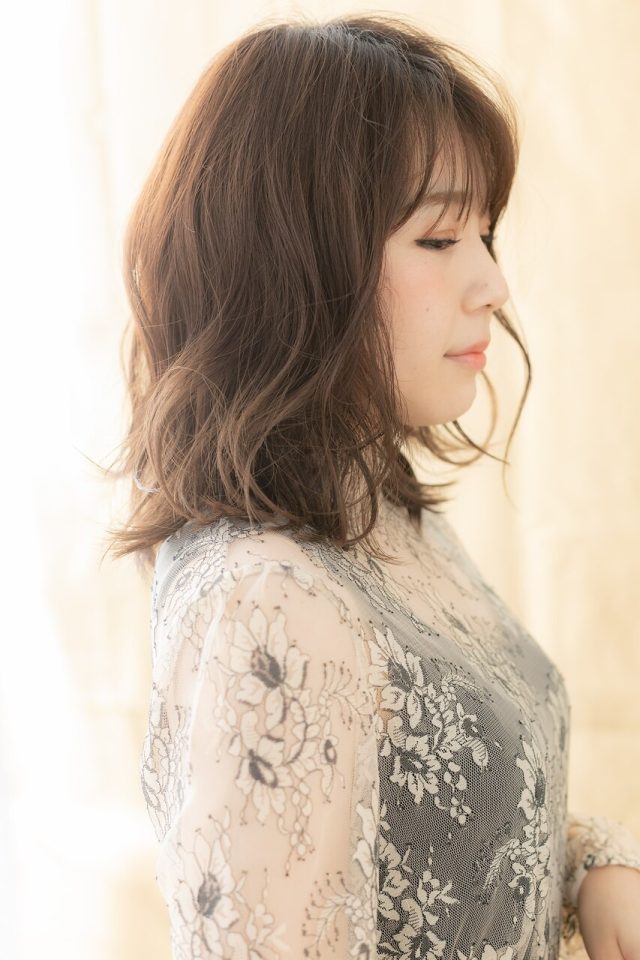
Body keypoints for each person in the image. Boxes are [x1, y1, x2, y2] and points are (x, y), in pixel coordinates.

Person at [105, 13, 640, 960]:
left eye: (485, 233)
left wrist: (591, 866)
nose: (492, 283)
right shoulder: (267, 600)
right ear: (293, 260)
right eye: (439, 237)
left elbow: (435, 829)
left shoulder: (375, 511)